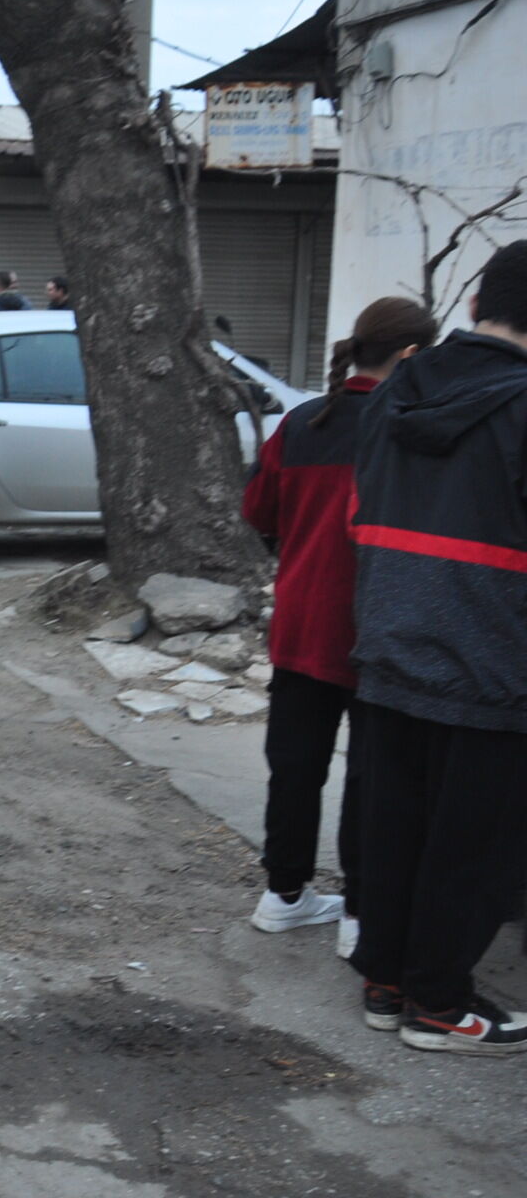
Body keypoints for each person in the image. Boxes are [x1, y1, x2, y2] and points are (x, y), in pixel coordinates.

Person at [346, 241, 527, 1055]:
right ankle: (440, 1005)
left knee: (393, 830)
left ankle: (387, 983)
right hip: (492, 667)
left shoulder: (394, 391)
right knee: (472, 848)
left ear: (477, 303)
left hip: (389, 646)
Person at [242, 296, 437, 959]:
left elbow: (258, 511)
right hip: (381, 629)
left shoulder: (300, 423)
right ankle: (360, 911)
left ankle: (284, 894)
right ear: (411, 355)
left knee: (294, 768)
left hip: (301, 623)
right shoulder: (414, 428)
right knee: (373, 779)